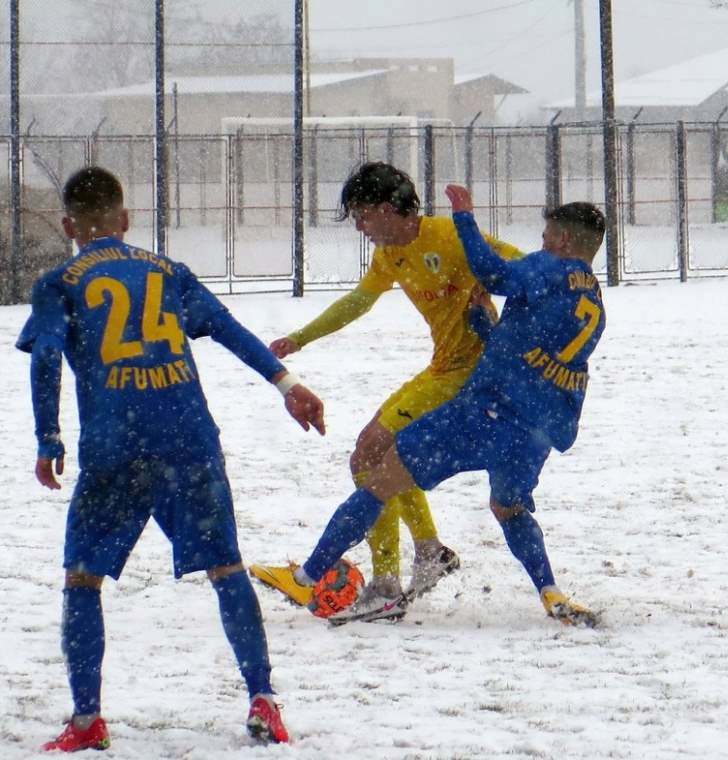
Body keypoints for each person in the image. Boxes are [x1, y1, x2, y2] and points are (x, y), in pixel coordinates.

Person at [18, 166, 326, 751]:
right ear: (125, 219)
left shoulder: (59, 282)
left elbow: (46, 358)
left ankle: (87, 721)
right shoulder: (166, 270)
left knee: (83, 578)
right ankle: (263, 699)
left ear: (68, 226)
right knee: (227, 569)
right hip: (188, 439)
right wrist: (287, 384)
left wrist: (48, 438)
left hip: (116, 445)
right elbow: (229, 328)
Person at [266, 184, 606, 627]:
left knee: (375, 472)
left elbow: (495, 269)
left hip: (481, 410)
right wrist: (485, 324)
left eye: (546, 238)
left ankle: (319, 578)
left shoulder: (540, 264)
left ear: (562, 241)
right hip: (535, 431)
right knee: (508, 508)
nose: (540, 245)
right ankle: (548, 591)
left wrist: (465, 217)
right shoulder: (592, 295)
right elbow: (531, 347)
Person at [250, 162, 522, 620]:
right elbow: (358, 300)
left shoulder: (448, 235)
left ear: (383, 209)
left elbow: (527, 270)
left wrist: (500, 303)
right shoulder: (389, 255)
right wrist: (302, 337)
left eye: (360, 216)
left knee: (368, 454)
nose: (359, 227)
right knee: (384, 455)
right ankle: (429, 552)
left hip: (472, 375)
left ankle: (386, 582)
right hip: (441, 370)